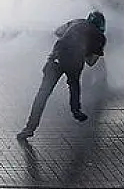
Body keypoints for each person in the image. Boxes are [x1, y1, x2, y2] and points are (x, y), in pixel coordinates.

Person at [17, 12, 107, 140]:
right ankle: (76, 111)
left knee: (43, 94)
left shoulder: (76, 21)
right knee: (74, 85)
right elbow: (91, 62)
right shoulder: (100, 37)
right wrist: (86, 49)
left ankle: (29, 128)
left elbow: (58, 31)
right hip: (74, 63)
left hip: (56, 58)